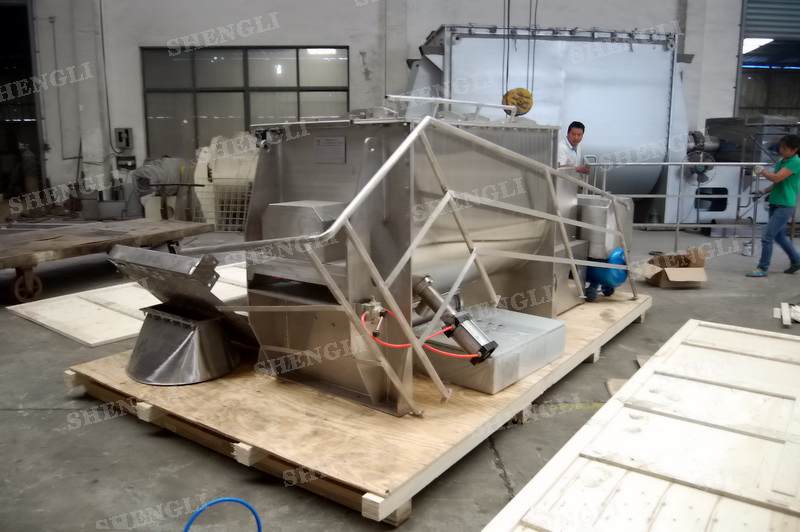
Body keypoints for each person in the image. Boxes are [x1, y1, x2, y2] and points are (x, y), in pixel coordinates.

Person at [746, 134, 800, 277]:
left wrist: (761, 170)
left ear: (795, 149)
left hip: (785, 205)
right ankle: (796, 260)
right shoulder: (782, 161)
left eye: (785, 148)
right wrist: (763, 191)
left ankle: (762, 268)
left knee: (767, 236)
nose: (781, 150)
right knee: (779, 236)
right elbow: (777, 183)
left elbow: (776, 177)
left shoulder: (796, 162)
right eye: (780, 147)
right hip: (775, 203)